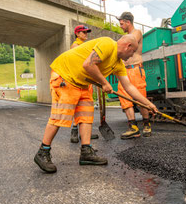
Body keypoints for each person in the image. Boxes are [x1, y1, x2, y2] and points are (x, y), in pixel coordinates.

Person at [34, 35, 158, 174]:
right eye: (132, 52)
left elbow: (129, 87)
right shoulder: (108, 44)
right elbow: (88, 64)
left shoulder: (118, 64)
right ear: (128, 46)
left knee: (86, 116)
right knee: (60, 116)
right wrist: (105, 83)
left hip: (83, 83)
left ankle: (86, 152)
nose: (131, 56)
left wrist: (148, 104)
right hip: (65, 75)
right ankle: (42, 152)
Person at [116, 11, 152, 139]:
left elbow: (128, 43)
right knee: (125, 99)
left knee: (140, 98)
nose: (120, 26)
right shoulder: (124, 37)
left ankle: (147, 124)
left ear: (128, 22)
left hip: (135, 70)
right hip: (124, 71)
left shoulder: (136, 33)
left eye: (121, 23)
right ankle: (133, 127)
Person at [70, 24, 98, 143]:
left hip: (87, 80)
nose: (86, 34)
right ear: (77, 34)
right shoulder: (75, 46)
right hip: (79, 80)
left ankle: (85, 133)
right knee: (78, 106)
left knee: (86, 107)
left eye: (87, 32)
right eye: (83, 32)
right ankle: (75, 130)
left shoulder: (85, 46)